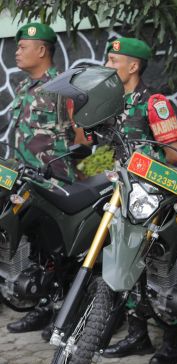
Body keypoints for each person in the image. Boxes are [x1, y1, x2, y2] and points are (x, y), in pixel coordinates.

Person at [101, 37, 177, 364]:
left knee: (161, 269)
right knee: (128, 266)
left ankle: (173, 341)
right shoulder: (113, 102)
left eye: (113, 61)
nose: (108, 67)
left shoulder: (155, 101)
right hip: (123, 198)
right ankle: (138, 336)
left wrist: (147, 173)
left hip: (152, 200)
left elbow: (174, 154)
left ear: (132, 66)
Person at [5, 21, 84, 339]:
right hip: (26, 186)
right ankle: (42, 307)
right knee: (36, 248)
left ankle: (67, 311)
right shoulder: (23, 88)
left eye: (23, 46)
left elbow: (82, 140)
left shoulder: (65, 87)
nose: (18, 52)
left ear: (42, 50)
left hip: (56, 185)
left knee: (60, 250)